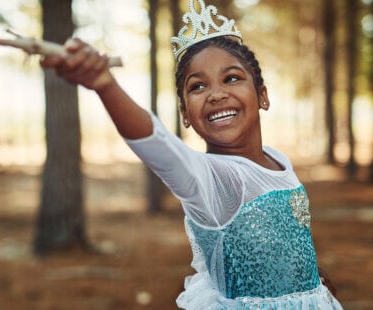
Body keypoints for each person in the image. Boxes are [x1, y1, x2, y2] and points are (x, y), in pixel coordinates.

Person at [40, 0, 343, 308]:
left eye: (232, 78)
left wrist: (308, 281)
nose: (216, 94)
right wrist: (106, 85)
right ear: (185, 114)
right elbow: (157, 145)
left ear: (262, 95)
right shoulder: (211, 180)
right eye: (198, 86)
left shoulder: (277, 160)